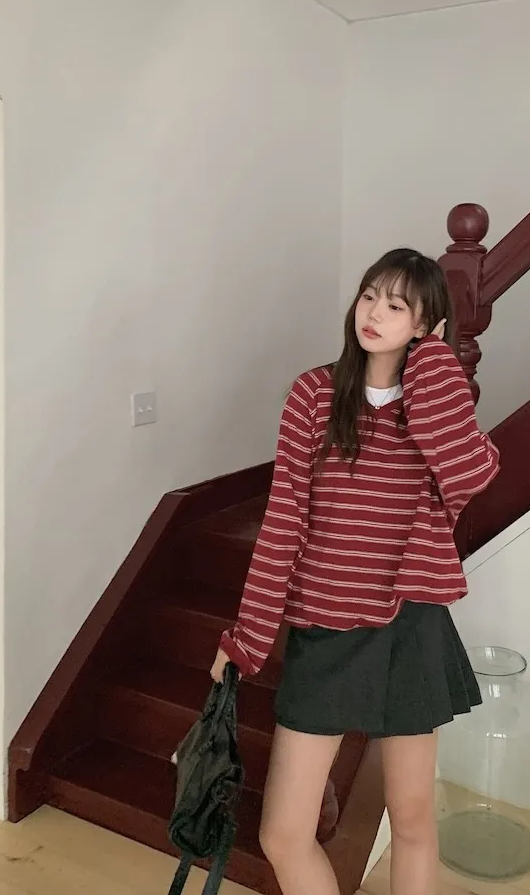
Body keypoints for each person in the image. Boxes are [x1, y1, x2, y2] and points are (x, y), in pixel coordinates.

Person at [210, 247, 500, 895]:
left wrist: (434, 368)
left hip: (408, 626)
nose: (374, 312)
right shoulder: (314, 394)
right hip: (327, 625)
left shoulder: (436, 399)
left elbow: (470, 475)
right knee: (283, 833)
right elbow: (282, 521)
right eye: (370, 295)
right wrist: (247, 637)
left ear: (424, 326)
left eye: (396, 305)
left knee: (414, 819)